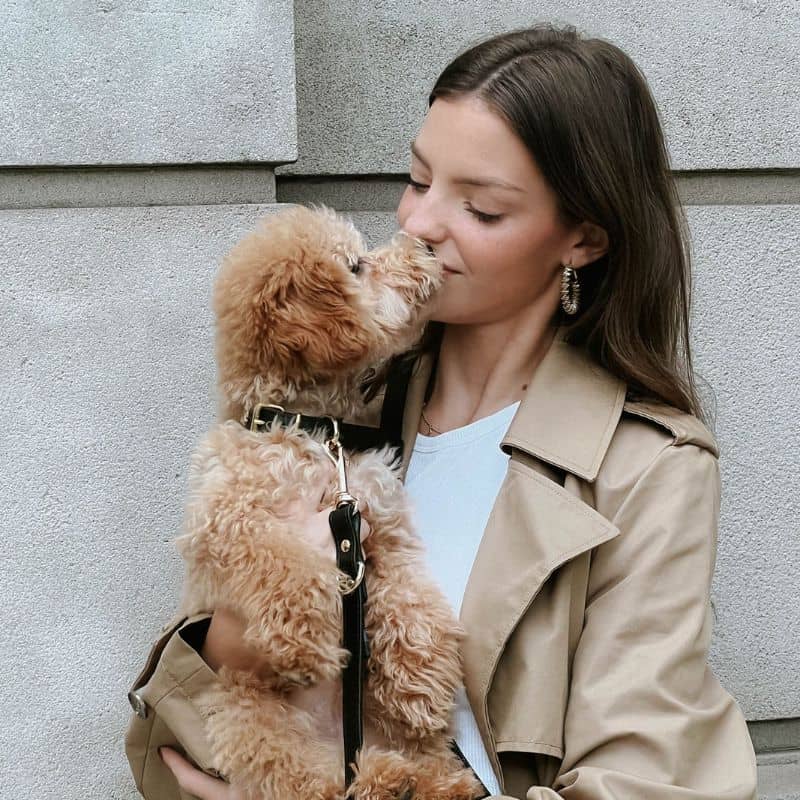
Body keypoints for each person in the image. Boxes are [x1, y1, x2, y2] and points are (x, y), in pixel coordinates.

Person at [157, 23, 758, 800]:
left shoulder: (648, 469)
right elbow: (176, 720)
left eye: (481, 207)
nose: (421, 223)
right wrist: (248, 645)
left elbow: (638, 781)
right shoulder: (339, 404)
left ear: (583, 238)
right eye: (417, 178)